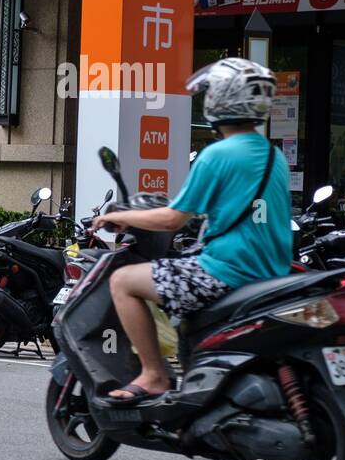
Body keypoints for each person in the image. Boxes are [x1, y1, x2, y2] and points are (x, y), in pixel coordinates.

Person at [89, 57, 292, 403]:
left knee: (123, 281)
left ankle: (153, 375)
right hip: (271, 272)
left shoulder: (217, 155)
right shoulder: (275, 155)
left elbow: (172, 219)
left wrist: (121, 217)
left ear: (220, 99)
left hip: (225, 271)